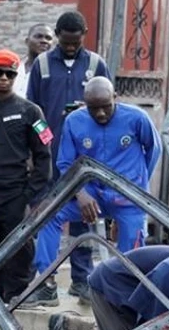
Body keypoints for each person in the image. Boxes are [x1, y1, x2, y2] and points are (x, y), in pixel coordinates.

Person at [24, 77, 160, 307]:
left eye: (105, 106)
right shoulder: (75, 121)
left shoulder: (137, 118)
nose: (100, 114)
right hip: (91, 193)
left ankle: (123, 298)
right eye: (93, 108)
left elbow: (153, 151)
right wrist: (80, 193)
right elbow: (66, 163)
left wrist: (135, 191)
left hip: (127, 197)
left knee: (133, 252)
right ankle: (46, 284)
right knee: (48, 215)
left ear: (115, 97)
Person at [26, 11, 112, 300]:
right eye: (66, 42)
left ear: (84, 35)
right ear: (58, 36)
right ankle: (45, 281)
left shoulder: (97, 64)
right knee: (46, 215)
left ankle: (82, 279)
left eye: (76, 42)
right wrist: (44, 143)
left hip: (86, 160)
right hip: (50, 158)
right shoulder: (41, 65)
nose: (71, 47)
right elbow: (33, 113)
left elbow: (110, 109)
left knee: (83, 218)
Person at [0, 49, 51, 302]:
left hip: (16, 194)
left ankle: (18, 295)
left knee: (19, 247)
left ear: (16, 76)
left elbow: (44, 153)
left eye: (10, 73)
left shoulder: (31, 112)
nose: (4, 78)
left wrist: (30, 196)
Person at [13, 23, 54, 98]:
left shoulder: (53, 70)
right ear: (27, 41)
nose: (44, 41)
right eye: (39, 36)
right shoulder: (16, 67)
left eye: (48, 38)